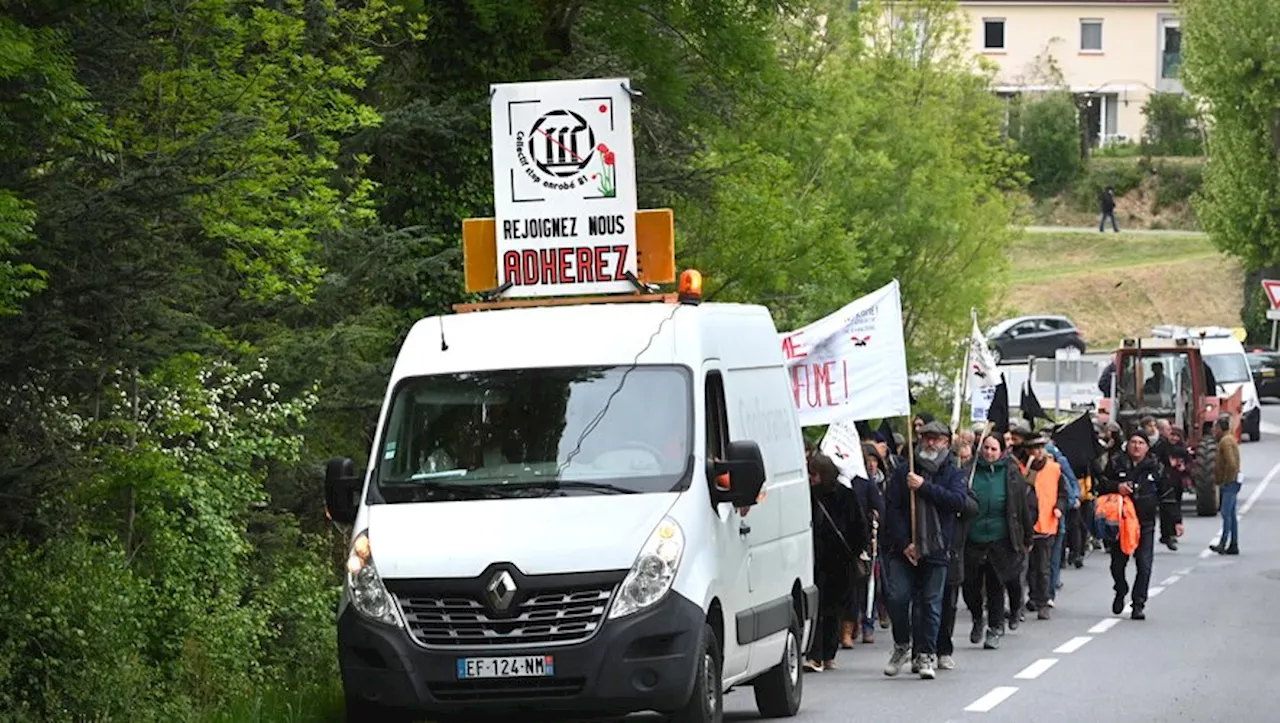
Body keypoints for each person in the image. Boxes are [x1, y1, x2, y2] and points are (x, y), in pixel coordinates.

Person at [881, 421, 968, 680]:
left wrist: (924, 487)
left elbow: (957, 501)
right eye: (927, 438)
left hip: (937, 547)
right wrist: (904, 542)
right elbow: (892, 508)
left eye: (937, 439)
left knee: (931, 604)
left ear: (946, 442)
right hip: (903, 549)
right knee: (897, 598)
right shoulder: (904, 470)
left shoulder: (953, 472)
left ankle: (927, 653)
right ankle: (902, 645)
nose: (931, 443)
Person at [1097, 430, 1180, 619]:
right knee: (1117, 565)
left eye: (1141, 443)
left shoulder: (1156, 467)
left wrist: (1176, 521)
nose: (1136, 446)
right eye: (1133, 442)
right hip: (1120, 523)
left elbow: (1167, 496)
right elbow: (1101, 484)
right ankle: (1120, 589)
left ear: (1147, 447)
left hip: (1145, 523)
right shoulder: (1116, 462)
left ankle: (1138, 604)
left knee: (1144, 565)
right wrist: (1116, 487)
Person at [964, 433, 1033, 650]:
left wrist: (1027, 536)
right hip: (972, 538)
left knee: (995, 585)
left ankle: (994, 628)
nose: (989, 453)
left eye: (994, 449)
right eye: (986, 448)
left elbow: (1022, 507)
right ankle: (977, 617)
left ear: (1001, 451)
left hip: (1000, 538)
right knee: (970, 587)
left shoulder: (1011, 473)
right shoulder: (969, 471)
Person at [805, 453, 869, 672]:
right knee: (819, 609)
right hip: (815, 560)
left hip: (839, 562)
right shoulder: (808, 495)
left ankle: (825, 654)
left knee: (831, 610)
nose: (811, 478)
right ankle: (819, 654)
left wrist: (853, 551)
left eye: (813, 474)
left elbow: (859, 527)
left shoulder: (845, 496)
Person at [1012, 428, 1066, 620]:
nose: (1036, 452)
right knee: (1021, 569)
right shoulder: (1020, 467)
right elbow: (1023, 488)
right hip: (1023, 526)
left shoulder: (1054, 468)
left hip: (1045, 524)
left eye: (1039, 448)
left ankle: (1042, 601)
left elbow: (1062, 493)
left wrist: (1059, 507)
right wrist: (1030, 469)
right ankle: (1017, 606)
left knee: (1042, 568)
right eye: (1032, 448)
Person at [936, 454, 980, 671]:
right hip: (925, 548)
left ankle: (943, 649)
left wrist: (959, 500)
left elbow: (971, 506)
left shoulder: (957, 476)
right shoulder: (915, 475)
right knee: (922, 603)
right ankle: (921, 650)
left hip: (952, 549)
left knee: (948, 603)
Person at [844, 443, 886, 647]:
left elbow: (880, 508)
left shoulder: (865, 483)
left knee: (866, 584)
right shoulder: (839, 482)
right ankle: (848, 625)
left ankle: (867, 622)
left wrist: (875, 516)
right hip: (842, 541)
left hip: (864, 539)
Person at [1210, 415, 1241, 555]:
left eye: (1215, 428)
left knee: (1226, 513)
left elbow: (1231, 463)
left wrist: (1226, 480)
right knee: (1232, 514)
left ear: (1220, 428)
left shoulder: (1225, 442)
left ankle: (1223, 543)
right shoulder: (1229, 439)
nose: (1213, 430)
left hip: (1230, 482)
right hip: (1233, 481)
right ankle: (1233, 543)